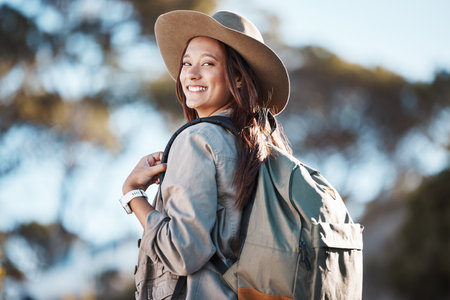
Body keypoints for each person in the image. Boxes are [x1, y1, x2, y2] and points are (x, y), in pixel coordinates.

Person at [119, 10, 292, 300]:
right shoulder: (265, 147)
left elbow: (183, 252)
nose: (191, 74)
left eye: (208, 63)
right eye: (187, 63)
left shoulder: (197, 140)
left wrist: (132, 194)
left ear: (238, 78)